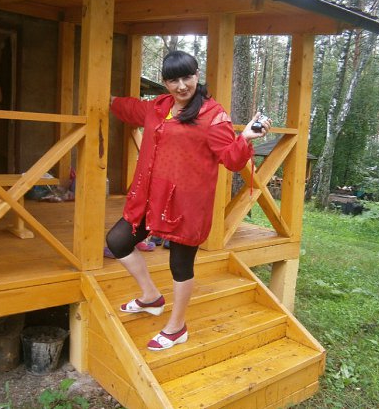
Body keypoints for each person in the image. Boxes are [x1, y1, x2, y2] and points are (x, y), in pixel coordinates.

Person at [106, 50, 271, 351]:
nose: (182, 86)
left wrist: (245, 138)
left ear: (197, 75)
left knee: (180, 264)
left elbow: (231, 160)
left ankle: (177, 327)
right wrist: (106, 99)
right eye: (173, 80)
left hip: (187, 204)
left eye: (187, 77)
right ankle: (151, 297)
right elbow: (131, 109)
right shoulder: (159, 106)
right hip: (150, 198)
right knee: (118, 241)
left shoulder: (213, 116)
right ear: (165, 82)